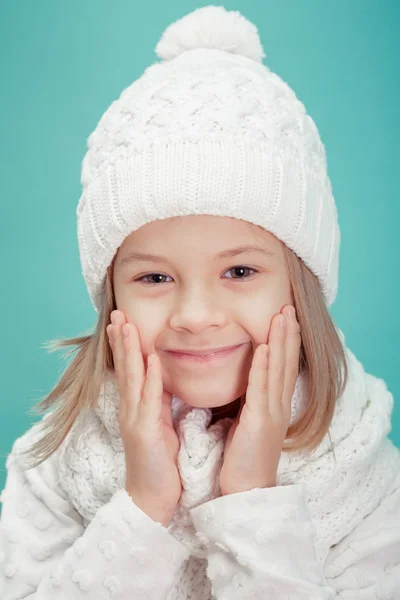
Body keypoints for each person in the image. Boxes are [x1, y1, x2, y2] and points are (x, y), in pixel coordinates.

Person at [1, 5, 399, 599]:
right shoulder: (51, 464)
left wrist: (253, 503)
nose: (193, 315)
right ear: (112, 296)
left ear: (301, 285)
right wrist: (142, 507)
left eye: (239, 270)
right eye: (154, 279)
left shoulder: (363, 464)